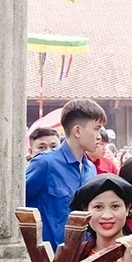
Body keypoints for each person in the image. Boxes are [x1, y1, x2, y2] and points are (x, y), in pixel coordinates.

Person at [26, 100, 105, 247]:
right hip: (49, 255)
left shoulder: (90, 169)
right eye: (96, 129)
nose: (99, 136)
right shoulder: (44, 163)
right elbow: (17, 205)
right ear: (77, 131)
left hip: (83, 253)